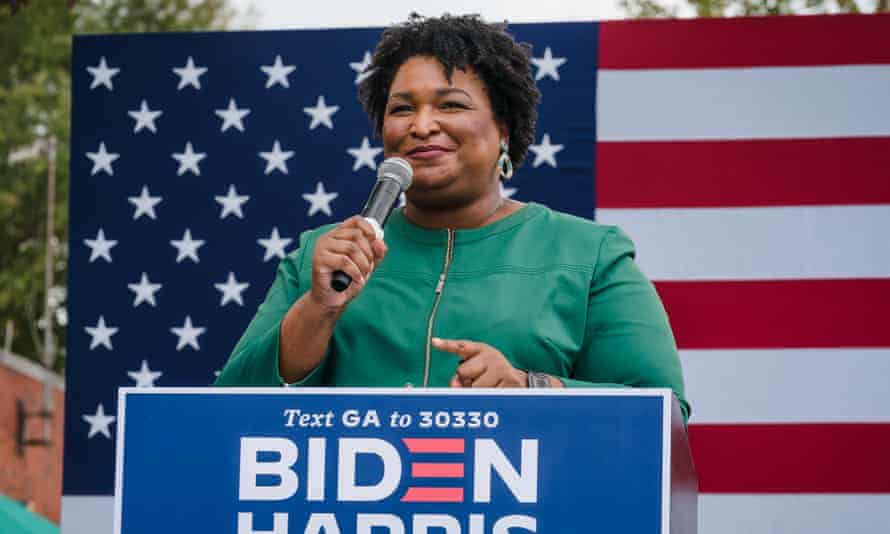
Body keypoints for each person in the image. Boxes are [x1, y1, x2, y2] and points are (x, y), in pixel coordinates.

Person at [214, 14, 690, 421]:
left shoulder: (590, 255)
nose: (421, 125)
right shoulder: (323, 257)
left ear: (503, 128)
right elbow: (225, 412)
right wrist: (318, 309)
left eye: (450, 105)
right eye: (402, 109)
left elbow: (661, 414)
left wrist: (530, 388)